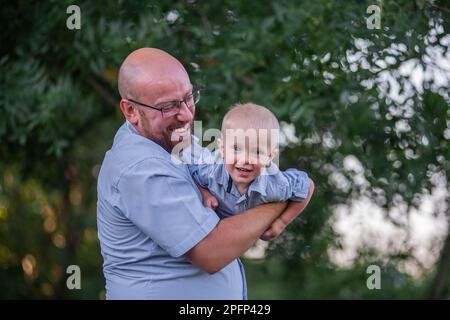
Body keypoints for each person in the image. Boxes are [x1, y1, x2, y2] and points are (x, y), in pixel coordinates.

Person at [97, 47, 296, 299]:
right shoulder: (138, 166)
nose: (187, 114)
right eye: (168, 106)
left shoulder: (178, 143)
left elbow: (230, 190)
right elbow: (210, 253)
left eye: (189, 97)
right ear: (131, 111)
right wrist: (283, 199)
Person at [183, 103, 314, 240]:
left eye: (257, 152)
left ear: (270, 157)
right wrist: (205, 193)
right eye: (236, 148)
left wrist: (281, 223)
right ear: (222, 148)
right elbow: (187, 168)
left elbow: (307, 185)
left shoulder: (275, 185)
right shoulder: (210, 170)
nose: (245, 159)